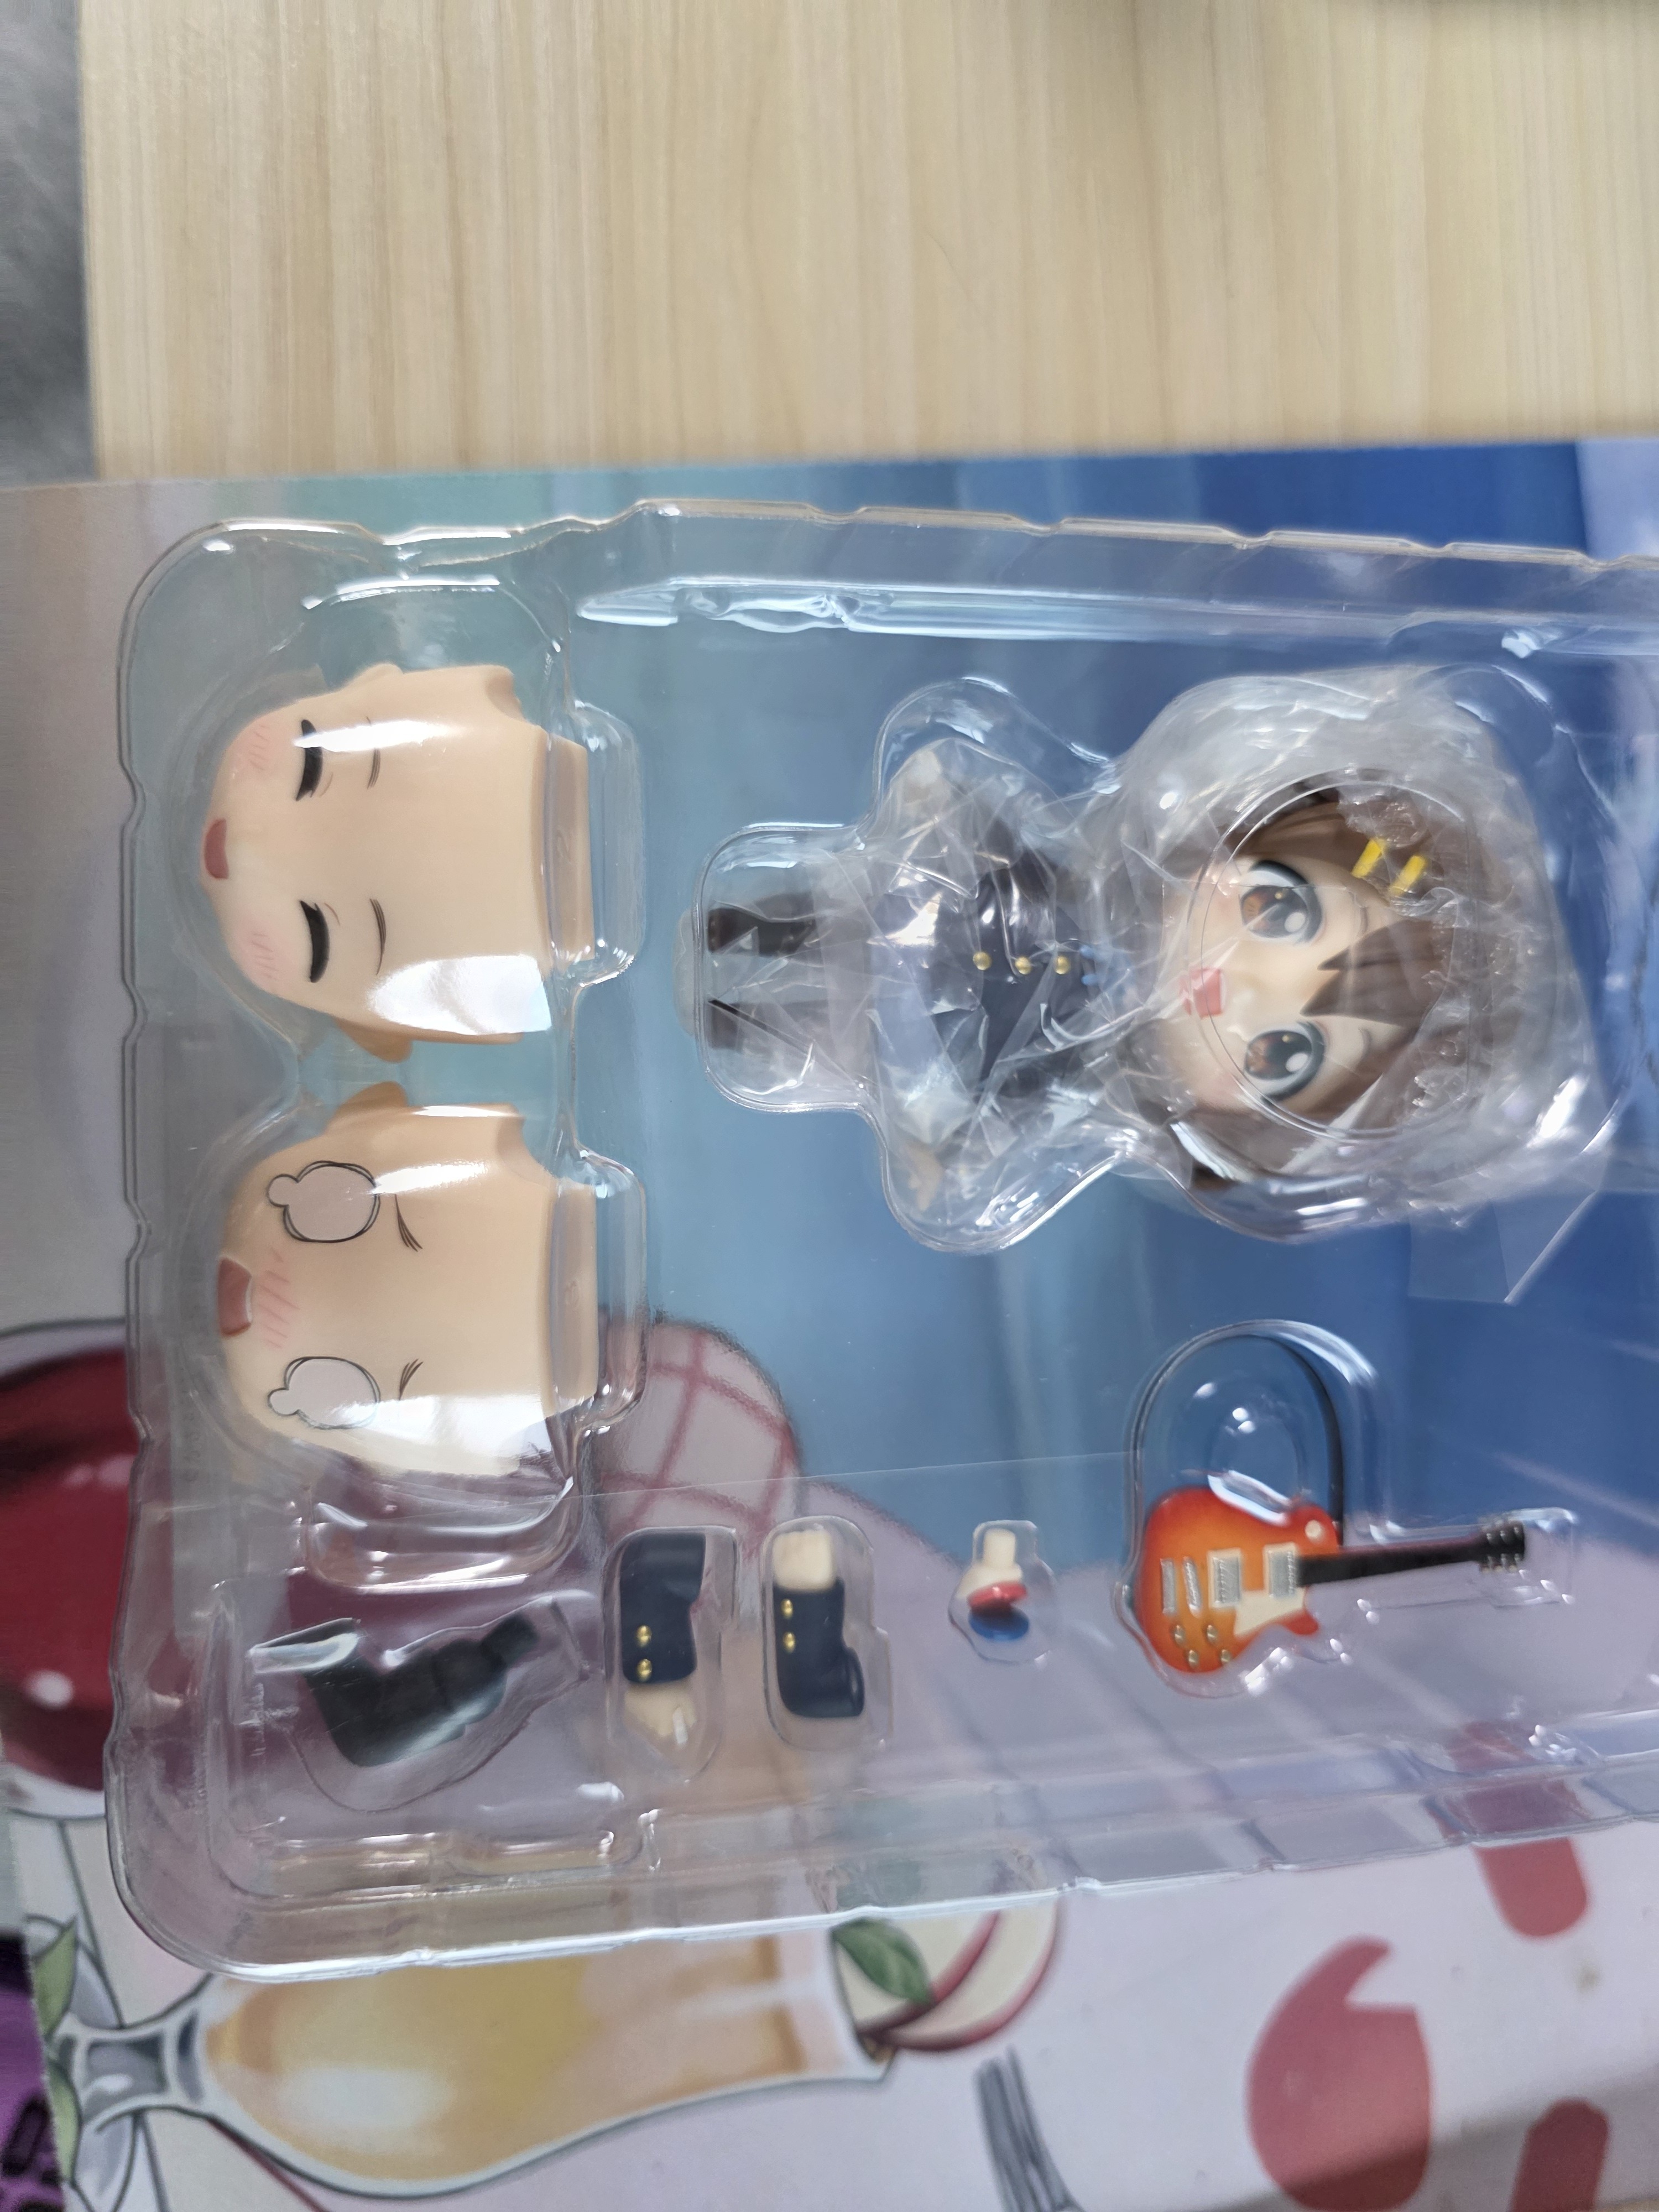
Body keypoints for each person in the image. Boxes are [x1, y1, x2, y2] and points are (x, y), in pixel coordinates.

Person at [692, 668, 1595, 1249]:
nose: (1234, 984)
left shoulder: (1076, 1081)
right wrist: (933, 799)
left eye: (1282, 1054)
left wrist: (942, 1156)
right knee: (811, 920)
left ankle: (753, 1027)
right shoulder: (1054, 869)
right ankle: (743, 929)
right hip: (922, 908)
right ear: (1236, 835)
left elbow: (993, 1133)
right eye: (1275, 909)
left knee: (825, 1037)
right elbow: (970, 802)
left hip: (926, 1050)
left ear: (1247, 1135)